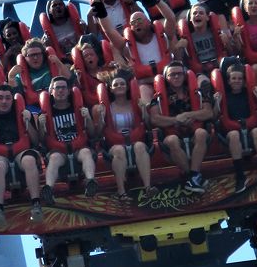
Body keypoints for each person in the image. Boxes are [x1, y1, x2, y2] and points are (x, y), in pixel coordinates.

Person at [0, 84, 44, 224]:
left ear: (12, 100)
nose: (4, 101)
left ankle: (36, 204)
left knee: (29, 159)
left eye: (7, 98)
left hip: (21, 152)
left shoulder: (21, 112)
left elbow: (36, 140)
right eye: (0, 98)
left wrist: (27, 121)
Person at [95, 0, 179, 102]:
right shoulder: (127, 47)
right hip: (146, 85)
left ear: (148, 22)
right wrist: (100, 10)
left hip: (171, 80)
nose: (136, 24)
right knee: (143, 92)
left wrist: (157, 1)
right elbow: (109, 31)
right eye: (133, 23)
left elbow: (171, 18)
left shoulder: (163, 37)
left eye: (139, 20)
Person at [149, 61, 214, 193]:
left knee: (201, 133)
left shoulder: (197, 92)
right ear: (166, 77)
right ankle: (193, 177)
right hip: (172, 134)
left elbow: (208, 112)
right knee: (172, 140)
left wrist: (188, 115)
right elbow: (154, 119)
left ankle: (193, 175)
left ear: (184, 75)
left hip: (194, 130)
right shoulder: (159, 96)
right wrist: (175, 120)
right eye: (172, 75)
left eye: (179, 74)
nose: (176, 77)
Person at [93, 70, 155, 200]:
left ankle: (148, 188)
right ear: (111, 89)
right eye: (116, 85)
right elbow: (98, 133)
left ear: (127, 87)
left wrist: (144, 110)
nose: (119, 86)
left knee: (139, 146)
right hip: (115, 144)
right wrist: (101, 119)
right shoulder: (107, 108)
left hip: (136, 140)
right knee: (119, 151)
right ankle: (121, 192)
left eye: (122, 84)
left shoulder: (135, 105)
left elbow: (148, 126)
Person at [215, 62, 257, 192]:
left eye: (240, 78)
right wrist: (217, 103)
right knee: (234, 135)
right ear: (228, 80)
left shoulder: (248, 93)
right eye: (234, 78)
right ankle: (240, 175)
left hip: (250, 130)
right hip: (232, 132)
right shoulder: (224, 96)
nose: (237, 81)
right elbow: (215, 115)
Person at [38, 77, 98, 202]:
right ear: (51, 91)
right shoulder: (45, 113)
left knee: (86, 152)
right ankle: (48, 188)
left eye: (63, 87)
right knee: (54, 158)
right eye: (57, 88)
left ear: (69, 90)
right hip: (58, 150)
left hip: (79, 147)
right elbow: (42, 140)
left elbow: (92, 133)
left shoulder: (79, 108)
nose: (61, 91)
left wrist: (87, 118)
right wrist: (41, 126)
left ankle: (91, 182)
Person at [8, 38, 70, 109]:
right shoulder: (21, 75)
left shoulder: (54, 66)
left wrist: (59, 63)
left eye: (38, 54)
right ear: (25, 58)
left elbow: (70, 80)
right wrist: (11, 77)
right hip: (35, 107)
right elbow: (16, 97)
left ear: (43, 54)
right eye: (31, 55)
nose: (35, 57)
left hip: (58, 102)